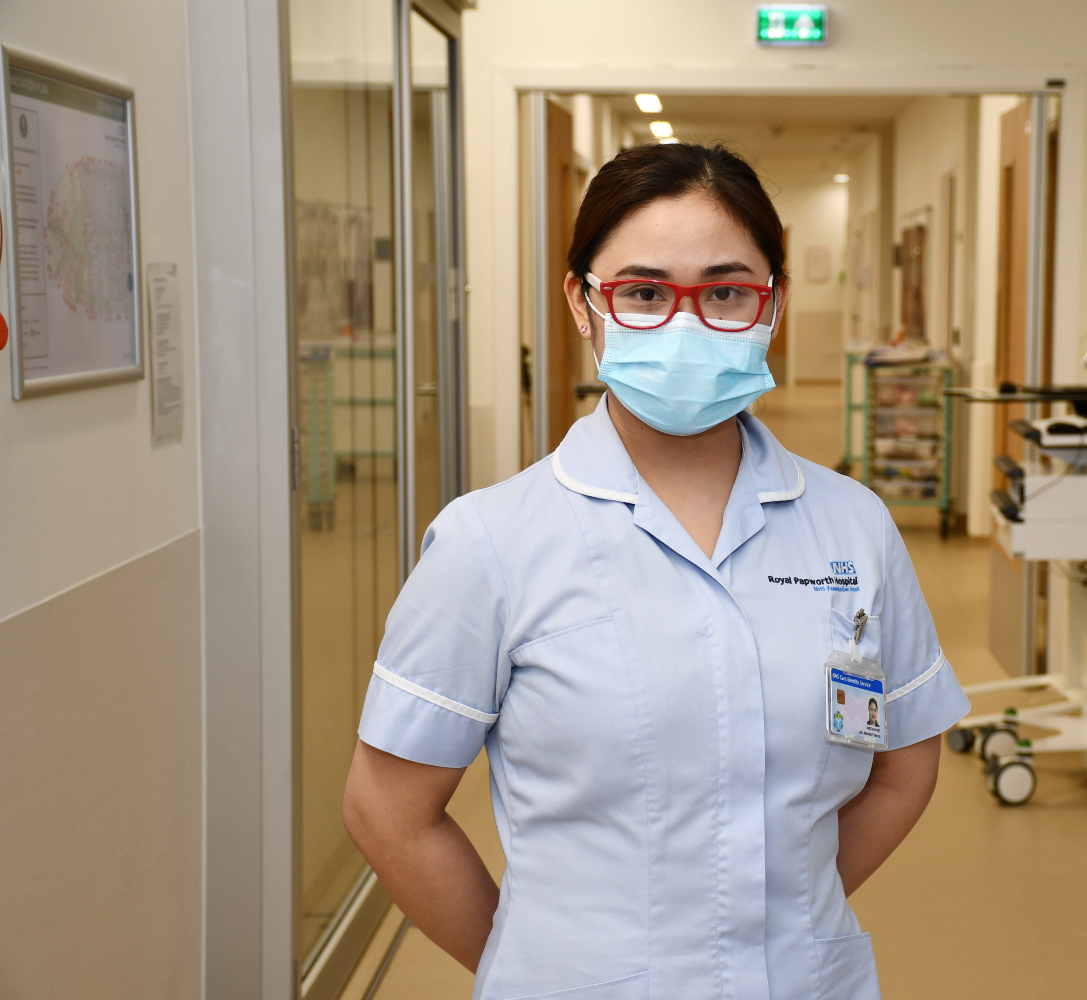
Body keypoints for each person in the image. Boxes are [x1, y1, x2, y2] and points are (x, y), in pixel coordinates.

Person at [342, 142, 970, 1000]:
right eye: (642, 292)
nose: (683, 325)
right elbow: (388, 811)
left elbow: (904, 762)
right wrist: (535, 967)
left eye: (724, 291)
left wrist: (776, 919)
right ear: (582, 303)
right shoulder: (489, 542)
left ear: (774, 305)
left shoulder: (852, 525)